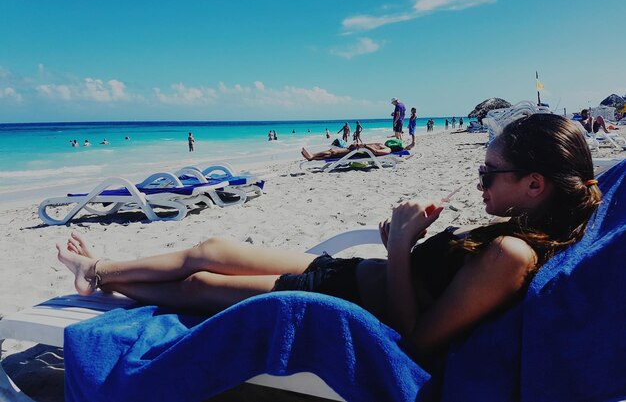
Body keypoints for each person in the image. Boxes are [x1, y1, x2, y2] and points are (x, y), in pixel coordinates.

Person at [57, 114, 601, 365]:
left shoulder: (513, 252)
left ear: (534, 184)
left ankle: (99, 276)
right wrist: (401, 246)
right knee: (212, 247)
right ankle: (101, 270)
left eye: (489, 173)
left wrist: (399, 250)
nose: (480, 182)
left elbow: (417, 342)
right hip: (353, 273)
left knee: (202, 282)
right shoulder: (521, 229)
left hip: (346, 303)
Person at [300, 142, 391, 161]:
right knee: (333, 151)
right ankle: (313, 157)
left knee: (334, 152)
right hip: (356, 150)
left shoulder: (388, 149)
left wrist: (365, 146)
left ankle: (312, 156)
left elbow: (376, 153)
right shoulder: (380, 144)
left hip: (359, 153)